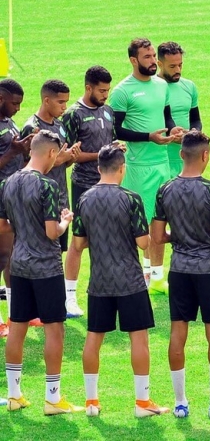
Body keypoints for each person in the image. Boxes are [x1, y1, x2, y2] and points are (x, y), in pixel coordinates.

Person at [151, 131, 210, 419]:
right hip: (209, 271)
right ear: (205, 155)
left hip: (179, 269)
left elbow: (157, 236)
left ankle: (180, 403)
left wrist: (177, 237)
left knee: (178, 333)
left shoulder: (165, 189)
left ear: (181, 154)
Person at [72, 144, 169, 418]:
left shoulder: (84, 199)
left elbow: (78, 244)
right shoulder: (131, 198)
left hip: (99, 281)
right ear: (122, 168)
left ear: (98, 168)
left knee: (93, 338)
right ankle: (142, 403)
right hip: (130, 281)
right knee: (139, 339)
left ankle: (91, 402)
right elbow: (143, 243)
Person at [0, 130, 83, 414]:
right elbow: (51, 232)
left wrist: (24, 226)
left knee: (17, 327)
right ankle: (52, 398)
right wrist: (64, 221)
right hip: (46, 266)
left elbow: (3, 226)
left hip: (19, 264)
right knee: (54, 328)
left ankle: (14, 395)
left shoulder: (7, 183)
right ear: (51, 153)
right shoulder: (47, 185)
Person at [110, 38, 184, 294]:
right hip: (138, 166)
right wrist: (148, 137)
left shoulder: (162, 85)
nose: (153, 61)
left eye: (153, 56)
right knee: (140, 223)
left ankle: (157, 277)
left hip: (163, 163)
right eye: (147, 57)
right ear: (133, 60)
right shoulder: (122, 91)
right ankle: (142, 272)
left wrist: (173, 130)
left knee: (160, 221)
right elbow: (116, 129)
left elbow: (167, 117)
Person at [61, 66, 115, 319]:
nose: (105, 95)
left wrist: (115, 149)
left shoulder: (108, 111)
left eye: (107, 90)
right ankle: (69, 297)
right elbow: (70, 155)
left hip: (109, 184)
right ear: (88, 87)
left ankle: (106, 290)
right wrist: (103, 154)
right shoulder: (73, 114)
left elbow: (110, 141)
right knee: (79, 241)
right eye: (101, 91)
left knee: (108, 238)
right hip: (84, 185)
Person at [20, 80, 81, 255]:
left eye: (66, 102)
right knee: (41, 252)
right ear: (46, 100)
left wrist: (70, 158)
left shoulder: (60, 126)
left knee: (58, 252)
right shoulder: (32, 129)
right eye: (60, 102)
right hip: (39, 201)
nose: (64, 107)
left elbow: (62, 162)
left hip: (61, 200)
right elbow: (24, 168)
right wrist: (59, 160)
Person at [0, 79, 32, 342]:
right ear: (1, 99)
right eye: (15, 103)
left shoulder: (9, 122)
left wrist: (26, 151)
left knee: (11, 257)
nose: (18, 108)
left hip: (11, 197)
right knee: (1, 257)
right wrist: (12, 152)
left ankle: (15, 314)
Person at [157, 41, 201, 177]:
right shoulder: (153, 88)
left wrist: (192, 134)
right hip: (160, 161)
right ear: (159, 64)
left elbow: (195, 119)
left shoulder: (189, 86)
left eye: (180, 65)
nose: (177, 70)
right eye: (172, 66)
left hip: (186, 160)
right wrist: (171, 135)